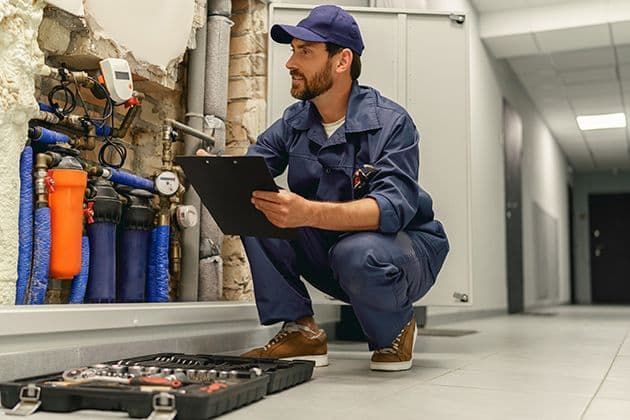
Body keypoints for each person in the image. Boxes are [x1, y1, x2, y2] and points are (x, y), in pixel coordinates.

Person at [204, 5, 449, 371]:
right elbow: (252, 171)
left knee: (357, 251)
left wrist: (308, 212)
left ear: (341, 61)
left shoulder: (391, 123)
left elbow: (391, 209)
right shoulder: (295, 121)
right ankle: (301, 330)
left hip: (403, 252)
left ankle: (396, 330)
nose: (290, 63)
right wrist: (219, 171)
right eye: (293, 50)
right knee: (256, 204)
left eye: (305, 52)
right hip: (334, 250)